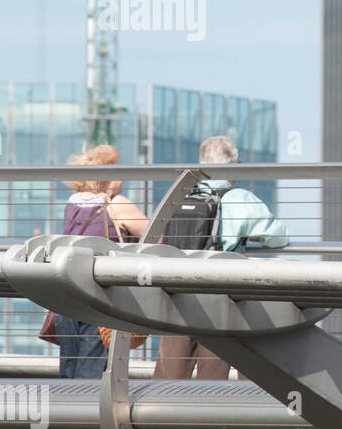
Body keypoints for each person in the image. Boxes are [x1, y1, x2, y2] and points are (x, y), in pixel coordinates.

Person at [153, 136, 289, 380]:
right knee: (213, 380)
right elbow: (278, 238)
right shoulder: (240, 199)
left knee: (167, 378)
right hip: (218, 299)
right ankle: (208, 415)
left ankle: (162, 416)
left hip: (177, 296)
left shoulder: (178, 197)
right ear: (233, 166)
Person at [55, 145, 151, 379]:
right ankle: (86, 416)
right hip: (97, 299)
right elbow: (156, 235)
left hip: (65, 298)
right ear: (104, 175)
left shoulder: (72, 204)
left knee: (69, 374)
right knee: (90, 375)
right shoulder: (115, 204)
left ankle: (66, 415)